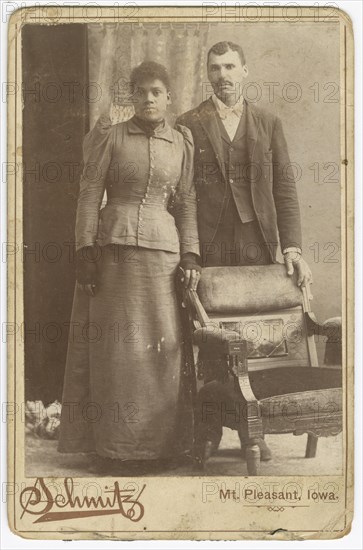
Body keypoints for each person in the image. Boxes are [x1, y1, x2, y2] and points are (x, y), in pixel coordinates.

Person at [57, 61, 201, 472]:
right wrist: (85, 249)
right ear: (131, 96)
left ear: (169, 97)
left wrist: (190, 253)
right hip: (114, 253)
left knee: (161, 351)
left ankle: (159, 449)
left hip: (164, 257)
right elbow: (89, 192)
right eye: (141, 91)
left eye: (157, 91)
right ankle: (113, 448)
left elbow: (187, 202)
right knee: (116, 350)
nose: (149, 98)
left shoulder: (182, 143)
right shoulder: (111, 136)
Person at [177, 41, 313, 461]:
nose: (223, 75)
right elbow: (182, 195)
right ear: (208, 75)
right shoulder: (188, 123)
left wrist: (291, 246)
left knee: (254, 335)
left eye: (230, 66)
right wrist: (191, 253)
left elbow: (285, 189)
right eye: (215, 68)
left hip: (258, 240)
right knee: (211, 334)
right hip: (210, 241)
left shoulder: (269, 122)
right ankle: (209, 428)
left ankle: (255, 430)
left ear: (246, 70)